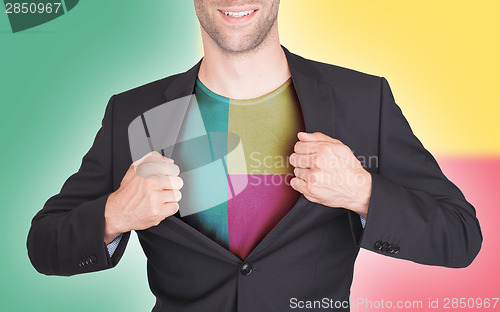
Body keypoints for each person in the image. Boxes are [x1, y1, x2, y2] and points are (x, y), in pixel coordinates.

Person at [27, 1, 482, 311]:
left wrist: (363, 192)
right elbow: (44, 245)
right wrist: (114, 214)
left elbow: (460, 236)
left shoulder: (363, 100)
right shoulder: (134, 112)